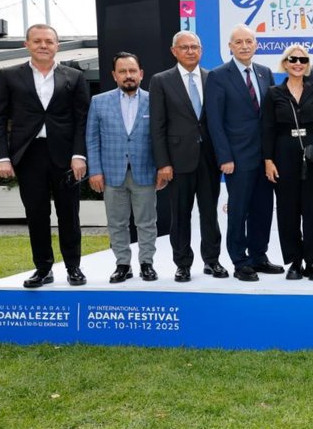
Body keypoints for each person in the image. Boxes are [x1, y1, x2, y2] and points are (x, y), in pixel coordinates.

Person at [0, 24, 90, 288]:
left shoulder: (74, 77)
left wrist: (79, 155)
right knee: (36, 213)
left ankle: (73, 267)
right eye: (37, 41)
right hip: (28, 154)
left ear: (57, 46)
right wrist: (2, 157)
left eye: (49, 41)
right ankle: (43, 269)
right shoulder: (9, 75)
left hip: (66, 156)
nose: (43, 45)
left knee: (69, 213)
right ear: (27, 45)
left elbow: (82, 120)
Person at [205, 25, 284, 282]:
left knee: (263, 208)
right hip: (237, 159)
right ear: (230, 46)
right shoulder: (218, 76)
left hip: (265, 157)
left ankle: (259, 256)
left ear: (256, 45)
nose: (244, 46)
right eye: (238, 42)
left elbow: (269, 117)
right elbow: (214, 122)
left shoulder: (264, 72)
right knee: (238, 211)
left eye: (249, 41)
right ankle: (240, 260)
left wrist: (272, 155)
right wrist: (224, 157)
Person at [149, 31, 227, 282]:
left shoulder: (213, 78)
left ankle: (212, 260)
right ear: (174, 51)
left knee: (210, 213)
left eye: (194, 47)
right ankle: (182, 264)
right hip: (177, 159)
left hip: (209, 158)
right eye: (184, 47)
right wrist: (163, 162)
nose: (190, 51)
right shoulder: (161, 81)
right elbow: (157, 126)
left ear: (201, 50)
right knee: (180, 215)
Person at [262, 45, 313, 281]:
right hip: (284, 154)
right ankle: (294, 261)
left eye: (303, 60)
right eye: (293, 59)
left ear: (307, 65)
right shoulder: (273, 93)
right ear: (285, 63)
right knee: (288, 210)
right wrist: (268, 160)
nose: (298, 63)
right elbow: (267, 129)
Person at [86, 52, 161, 283]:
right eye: (122, 71)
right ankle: (122, 264)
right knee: (116, 222)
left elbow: (161, 137)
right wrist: (95, 171)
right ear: (114, 75)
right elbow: (92, 139)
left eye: (132, 71)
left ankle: (146, 263)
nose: (128, 75)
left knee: (146, 222)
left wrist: (162, 168)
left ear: (141, 74)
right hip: (111, 173)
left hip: (145, 172)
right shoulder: (99, 102)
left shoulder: (155, 100)